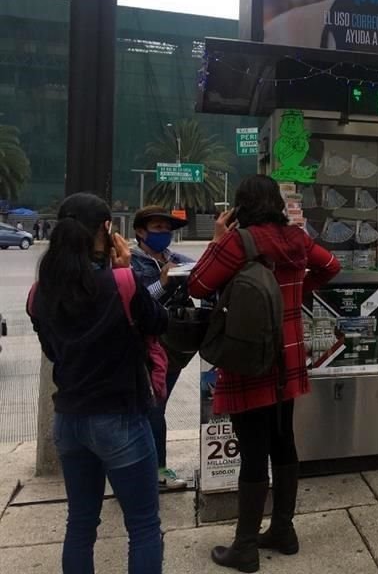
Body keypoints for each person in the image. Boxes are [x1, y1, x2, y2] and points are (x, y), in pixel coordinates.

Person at [188, 175, 341, 572]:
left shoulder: (240, 242)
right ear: (275, 203)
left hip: (249, 358)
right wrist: (298, 292)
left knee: (253, 451)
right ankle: (283, 530)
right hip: (287, 358)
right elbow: (332, 265)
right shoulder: (296, 239)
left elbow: (199, 284)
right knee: (282, 439)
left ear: (240, 208)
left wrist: (220, 237)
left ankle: (245, 546)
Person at [27, 193, 167, 574]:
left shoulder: (40, 294)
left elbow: (54, 352)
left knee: (81, 523)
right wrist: (126, 270)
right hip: (119, 416)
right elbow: (158, 323)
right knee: (142, 526)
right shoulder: (121, 282)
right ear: (106, 230)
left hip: (69, 420)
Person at [131, 205, 194, 491]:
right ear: (140, 232)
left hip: (173, 347)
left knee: (157, 404)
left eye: (167, 229)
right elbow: (141, 305)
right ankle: (155, 471)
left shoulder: (175, 259)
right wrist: (163, 282)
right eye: (157, 228)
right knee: (153, 406)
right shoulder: (132, 264)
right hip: (146, 347)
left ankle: (146, 468)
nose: (164, 234)